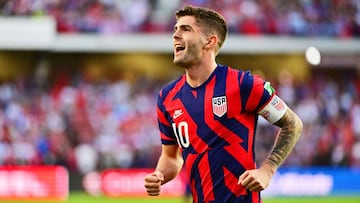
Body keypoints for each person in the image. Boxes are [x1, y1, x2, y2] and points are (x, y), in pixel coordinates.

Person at [144, 5, 303, 203]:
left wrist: (267, 170)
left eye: (185, 29)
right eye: (175, 29)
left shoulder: (243, 84)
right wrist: (159, 175)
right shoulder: (167, 97)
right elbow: (171, 157)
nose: (175, 35)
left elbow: (293, 124)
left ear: (209, 42)